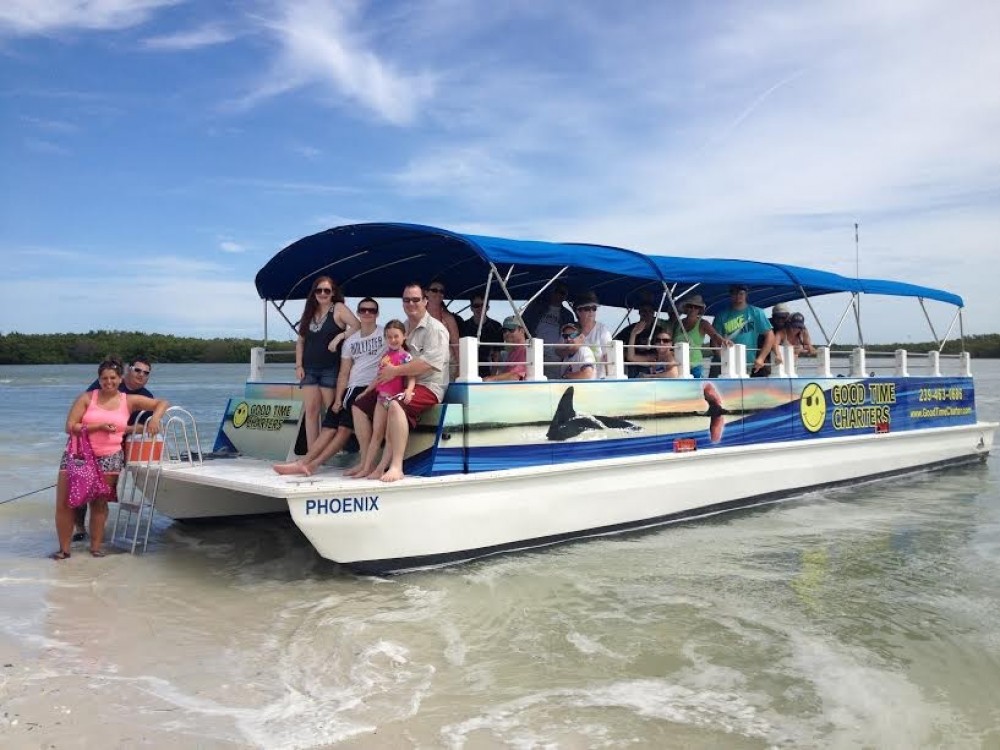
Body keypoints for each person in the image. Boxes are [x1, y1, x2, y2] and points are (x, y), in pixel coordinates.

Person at [53, 357, 169, 559]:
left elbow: (162, 403)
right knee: (65, 503)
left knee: (99, 504)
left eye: (113, 378)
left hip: (110, 457)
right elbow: (69, 427)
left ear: (120, 378)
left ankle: (96, 548)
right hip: (78, 454)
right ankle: (64, 550)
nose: (109, 382)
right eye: (104, 378)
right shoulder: (87, 398)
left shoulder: (129, 400)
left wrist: (155, 419)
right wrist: (97, 426)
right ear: (99, 379)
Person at [347, 283, 449, 482]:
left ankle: (396, 466)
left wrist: (395, 371)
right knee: (359, 406)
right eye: (406, 300)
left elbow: (428, 364)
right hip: (397, 384)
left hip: (428, 386)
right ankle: (365, 461)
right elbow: (386, 360)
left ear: (425, 301)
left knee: (396, 404)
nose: (411, 303)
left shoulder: (436, 329)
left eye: (416, 299)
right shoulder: (402, 327)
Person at [273, 298, 384, 476]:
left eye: (371, 310)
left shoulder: (384, 335)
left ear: (377, 314)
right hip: (350, 388)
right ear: (358, 313)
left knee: (342, 429)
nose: (367, 314)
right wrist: (339, 398)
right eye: (363, 310)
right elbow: (344, 372)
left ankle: (311, 464)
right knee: (329, 425)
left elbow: (400, 346)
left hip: (369, 386)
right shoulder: (350, 341)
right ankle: (306, 461)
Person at [74, 355, 156, 541]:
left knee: (102, 496)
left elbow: (146, 426)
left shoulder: (146, 397)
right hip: (88, 444)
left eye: (146, 372)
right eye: (137, 370)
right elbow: (82, 415)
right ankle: (79, 529)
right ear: (127, 370)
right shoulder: (107, 383)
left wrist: (123, 427)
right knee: (81, 493)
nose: (141, 374)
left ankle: (97, 537)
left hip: (116, 448)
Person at [294, 276, 360, 451]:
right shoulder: (309, 312)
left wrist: (340, 336)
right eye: (319, 290)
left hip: (330, 369)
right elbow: (300, 340)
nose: (322, 294)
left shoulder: (338, 309)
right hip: (308, 369)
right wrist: (299, 365)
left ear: (333, 293)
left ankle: (332, 450)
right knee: (311, 411)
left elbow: (357, 326)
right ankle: (312, 451)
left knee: (331, 413)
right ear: (314, 293)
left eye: (327, 290)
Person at [354, 320, 416, 479]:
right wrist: (367, 391)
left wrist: (409, 391)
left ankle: (381, 468)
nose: (393, 340)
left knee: (389, 436)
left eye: (396, 336)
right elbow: (378, 378)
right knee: (376, 434)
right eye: (389, 337)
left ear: (404, 337)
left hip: (394, 399)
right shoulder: (385, 356)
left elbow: (411, 377)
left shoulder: (406, 357)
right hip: (381, 399)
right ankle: (366, 467)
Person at [711, 284, 780, 377]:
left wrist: (761, 358)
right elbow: (714, 339)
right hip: (724, 362)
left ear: (746, 294)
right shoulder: (721, 315)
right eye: (734, 293)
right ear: (730, 295)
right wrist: (721, 358)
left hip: (747, 362)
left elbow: (770, 336)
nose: (737, 296)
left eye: (741, 293)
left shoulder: (757, 312)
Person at [523, 281, 575, 378]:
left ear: (565, 296)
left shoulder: (568, 315)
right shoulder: (534, 307)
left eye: (562, 293)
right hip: (534, 351)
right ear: (551, 292)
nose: (558, 294)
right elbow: (523, 325)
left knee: (551, 384)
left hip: (554, 356)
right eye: (556, 291)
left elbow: (572, 335)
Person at [671, 294, 727, 378]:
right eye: (690, 306)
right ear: (686, 308)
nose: (693, 309)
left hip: (695, 365)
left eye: (696, 307)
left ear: (699, 309)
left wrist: (723, 341)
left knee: (697, 390)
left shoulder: (703, 324)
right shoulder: (677, 323)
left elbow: (714, 335)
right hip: (677, 364)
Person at [616, 299, 667, 378]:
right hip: (632, 364)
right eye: (644, 311)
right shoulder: (630, 329)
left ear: (653, 313)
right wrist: (634, 333)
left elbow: (665, 348)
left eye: (649, 311)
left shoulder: (659, 330)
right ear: (639, 313)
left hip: (651, 364)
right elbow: (615, 343)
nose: (646, 314)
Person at [461, 292, 504, 377]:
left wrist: (492, 377)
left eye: (483, 305)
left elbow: (497, 355)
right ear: (471, 308)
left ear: (487, 308)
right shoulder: (464, 326)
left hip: (488, 371)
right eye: (476, 305)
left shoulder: (496, 326)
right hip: (466, 370)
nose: (480, 308)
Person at [425, 279, 461, 379]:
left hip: (447, 365)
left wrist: (460, 368)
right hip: (424, 364)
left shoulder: (448, 318)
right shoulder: (418, 316)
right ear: (426, 293)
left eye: (441, 291)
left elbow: (456, 345)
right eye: (434, 290)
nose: (438, 293)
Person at [573, 290, 613, 378]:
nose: (591, 312)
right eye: (587, 309)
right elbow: (559, 352)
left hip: (598, 381)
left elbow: (608, 357)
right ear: (578, 311)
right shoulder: (570, 330)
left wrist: (610, 379)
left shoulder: (603, 330)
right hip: (573, 379)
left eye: (594, 308)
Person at [485, 316, 529, 381]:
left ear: (522, 331)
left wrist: (490, 379)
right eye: (504, 331)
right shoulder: (511, 352)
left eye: (511, 330)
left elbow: (516, 376)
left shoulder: (526, 350)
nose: (507, 333)